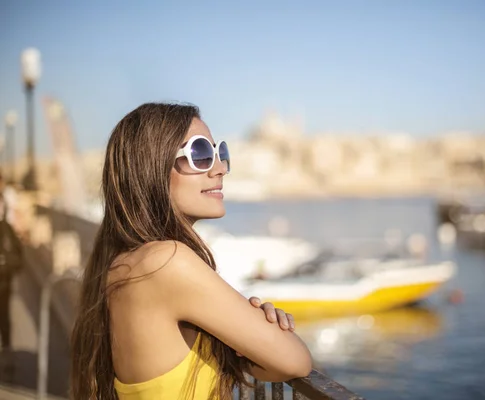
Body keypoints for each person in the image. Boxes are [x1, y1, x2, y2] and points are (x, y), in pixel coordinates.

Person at [70, 103, 312, 400]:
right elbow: (297, 362)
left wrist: (245, 334)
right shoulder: (167, 261)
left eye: (219, 152)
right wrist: (265, 336)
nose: (220, 168)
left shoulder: (125, 261)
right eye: (200, 154)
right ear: (152, 168)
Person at [0, 173, 23, 352]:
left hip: (4, 268)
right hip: (5, 267)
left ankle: (6, 349)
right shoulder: (6, 199)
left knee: (4, 310)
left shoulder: (7, 198)